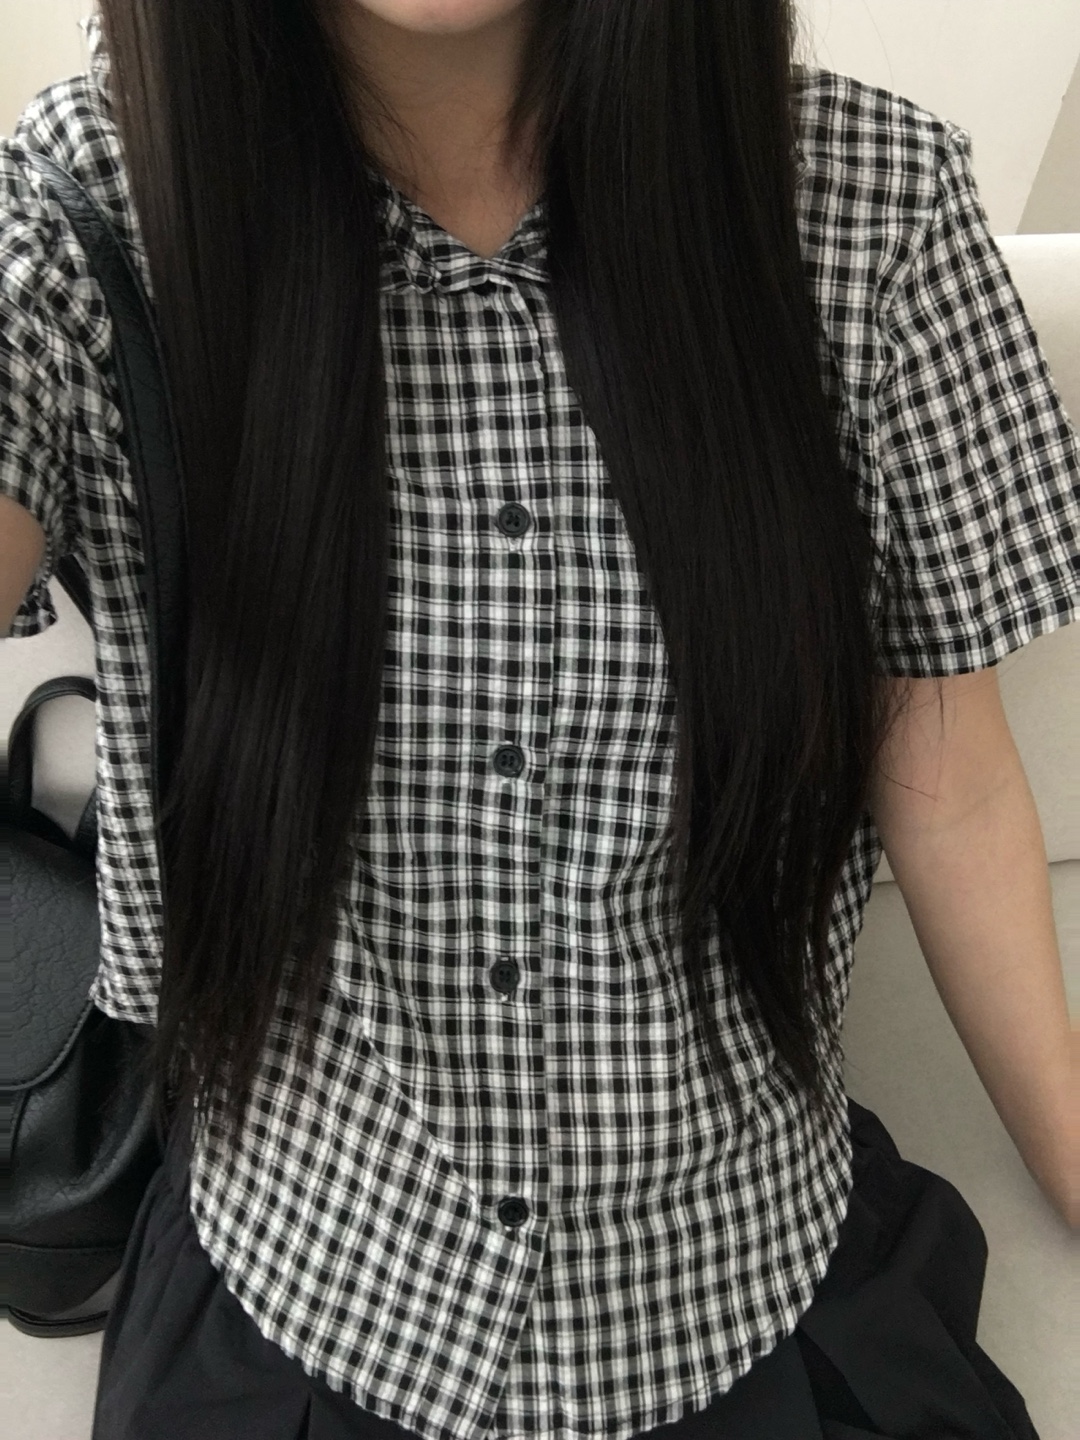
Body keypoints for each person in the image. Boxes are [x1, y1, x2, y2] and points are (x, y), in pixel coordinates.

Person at [1, 2, 1077, 1437]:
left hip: (751, 1288)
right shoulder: (85, 211)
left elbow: (947, 774)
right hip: (303, 1301)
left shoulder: (873, 209)